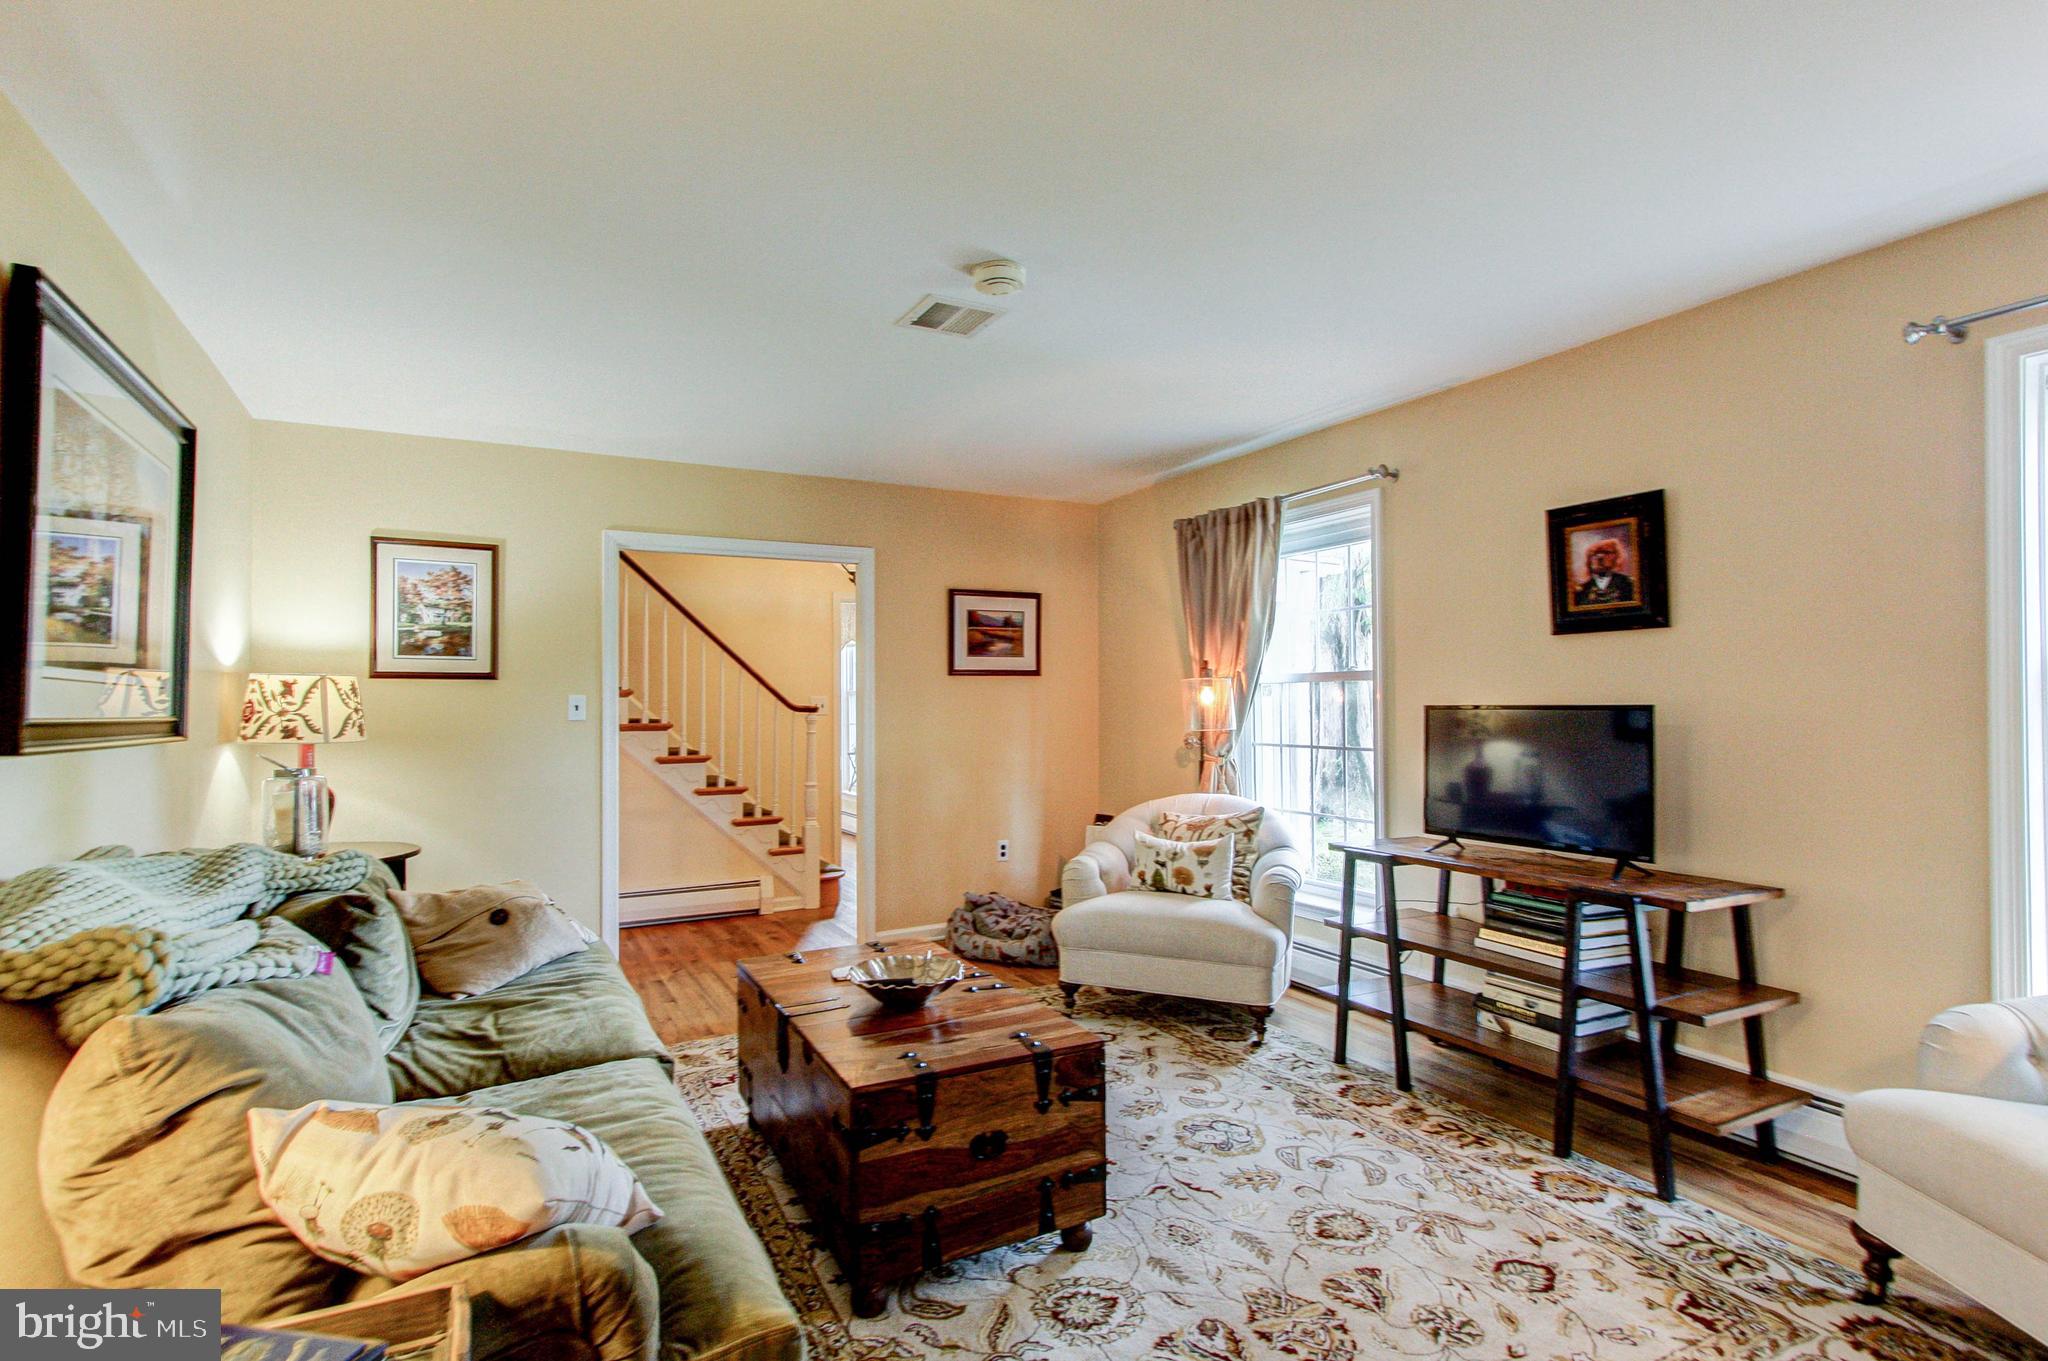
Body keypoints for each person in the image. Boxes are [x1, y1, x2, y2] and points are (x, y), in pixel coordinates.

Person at [1573, 537, 1636, 607]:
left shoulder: (1629, 584)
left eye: (1606, 552)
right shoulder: (1580, 591)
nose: (1600, 556)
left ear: (1617, 556)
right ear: (1588, 560)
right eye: (1594, 554)